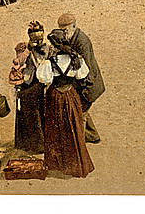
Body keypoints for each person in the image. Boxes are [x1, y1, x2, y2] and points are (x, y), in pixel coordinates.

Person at [36, 29, 95, 177]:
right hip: (70, 95)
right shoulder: (76, 60)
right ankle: (73, 163)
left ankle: (58, 164)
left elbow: (44, 79)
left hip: (55, 97)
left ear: (55, 46)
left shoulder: (49, 63)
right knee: (72, 126)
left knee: (56, 129)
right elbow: (82, 75)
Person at [59, 13, 104, 144]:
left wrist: (83, 89)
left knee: (79, 112)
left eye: (65, 30)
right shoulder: (72, 38)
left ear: (73, 26)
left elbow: (87, 69)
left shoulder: (82, 42)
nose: (63, 34)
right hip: (82, 82)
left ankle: (79, 143)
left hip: (89, 84)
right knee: (82, 109)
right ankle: (92, 136)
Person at [11, 21, 49, 154]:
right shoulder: (25, 48)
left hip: (43, 83)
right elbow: (17, 62)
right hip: (29, 82)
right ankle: (27, 143)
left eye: (39, 38)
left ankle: (41, 144)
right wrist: (28, 50)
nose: (37, 41)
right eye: (34, 39)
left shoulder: (47, 48)